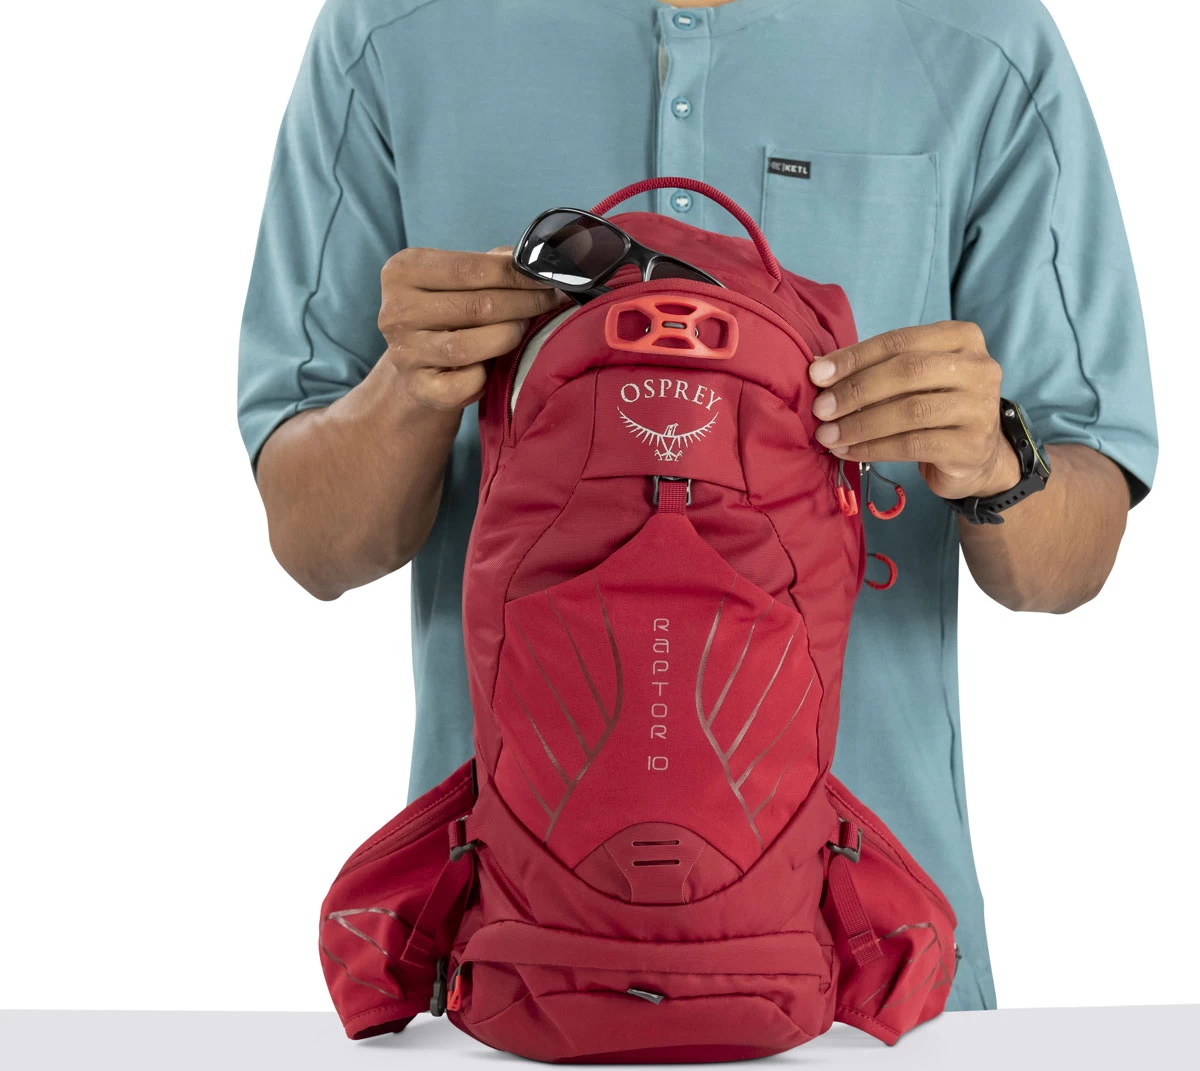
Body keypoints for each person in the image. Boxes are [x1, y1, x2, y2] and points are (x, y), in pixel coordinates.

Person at [237, 0, 1157, 1011]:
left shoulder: (979, 38)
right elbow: (315, 543)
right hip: (505, 967)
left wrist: (995, 459)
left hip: (866, 972)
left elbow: (1070, 566)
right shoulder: (394, 31)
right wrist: (406, 389)